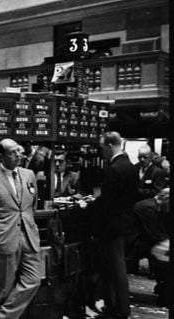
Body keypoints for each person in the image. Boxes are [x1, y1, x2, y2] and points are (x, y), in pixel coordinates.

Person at [0, 138, 41, 319]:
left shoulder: (29, 175)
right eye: (13, 152)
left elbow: (31, 205)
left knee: (34, 280)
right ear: (1, 156)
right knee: (5, 289)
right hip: (4, 238)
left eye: (19, 151)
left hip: (29, 236)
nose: (19, 155)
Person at [80, 131, 139, 319]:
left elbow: (107, 201)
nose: (101, 152)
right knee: (113, 267)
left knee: (116, 268)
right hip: (124, 222)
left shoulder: (113, 169)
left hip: (111, 225)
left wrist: (88, 204)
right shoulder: (130, 166)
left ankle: (121, 310)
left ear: (110, 145)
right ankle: (113, 306)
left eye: (102, 147)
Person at [131, 188, 170, 305]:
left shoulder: (154, 205)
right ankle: (165, 292)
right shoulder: (148, 208)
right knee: (164, 256)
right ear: (166, 199)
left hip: (144, 239)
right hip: (133, 243)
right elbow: (155, 233)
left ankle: (164, 288)